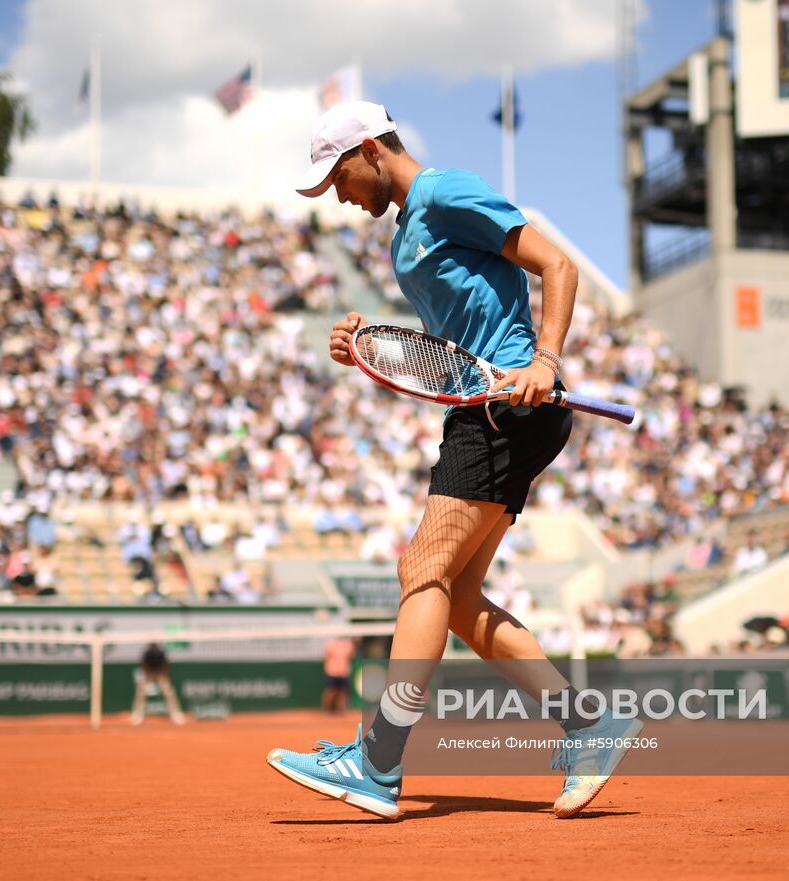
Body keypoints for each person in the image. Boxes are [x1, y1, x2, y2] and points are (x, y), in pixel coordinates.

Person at [266, 101, 641, 821]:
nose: (339, 194)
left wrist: (546, 358)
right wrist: (365, 342)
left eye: (338, 175)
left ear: (371, 149)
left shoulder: (442, 191)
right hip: (486, 408)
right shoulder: (407, 231)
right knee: (459, 600)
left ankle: (378, 760)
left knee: (422, 570)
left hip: (508, 407)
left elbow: (555, 264)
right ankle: (588, 728)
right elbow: (452, 339)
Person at [129, 642, 186, 726]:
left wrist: (161, 673)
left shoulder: (161, 653)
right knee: (140, 692)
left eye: (155, 644)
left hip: (160, 674)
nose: (153, 646)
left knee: (169, 692)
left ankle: (176, 714)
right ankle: (138, 715)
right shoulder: (147, 653)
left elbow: (165, 664)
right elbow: (144, 664)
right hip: (149, 674)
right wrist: (149, 673)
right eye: (152, 644)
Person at [321, 636, 355, 715]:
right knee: (331, 691)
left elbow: (351, 657)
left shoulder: (348, 645)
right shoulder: (330, 644)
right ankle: (326, 709)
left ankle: (341, 709)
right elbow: (326, 657)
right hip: (332, 671)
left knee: (343, 692)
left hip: (343, 672)